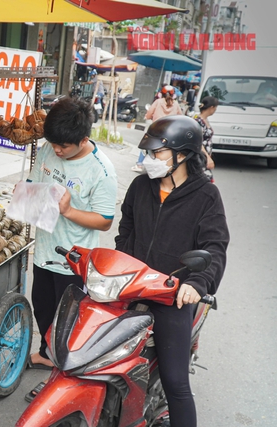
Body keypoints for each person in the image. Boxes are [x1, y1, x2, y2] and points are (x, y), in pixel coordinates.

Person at [115, 115, 229, 427]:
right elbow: (126, 230)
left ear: (182, 155)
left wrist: (197, 282)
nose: (150, 160)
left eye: (157, 154)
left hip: (172, 296)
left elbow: (216, 246)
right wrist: (121, 263)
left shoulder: (206, 196)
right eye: (149, 154)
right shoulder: (141, 186)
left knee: (176, 383)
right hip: (130, 285)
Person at [24, 97, 118, 382]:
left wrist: (68, 210)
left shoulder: (101, 170)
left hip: (74, 259)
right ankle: (46, 354)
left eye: (63, 146)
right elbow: (33, 184)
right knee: (42, 307)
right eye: (53, 144)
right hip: (43, 251)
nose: (56, 150)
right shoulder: (48, 149)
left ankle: (67, 372)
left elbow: (104, 220)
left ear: (83, 139)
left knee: (68, 319)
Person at [132, 85, 183, 172]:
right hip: (170, 132)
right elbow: (180, 117)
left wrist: (149, 116)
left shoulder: (158, 102)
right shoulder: (176, 104)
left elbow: (149, 114)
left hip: (156, 129)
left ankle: (139, 164)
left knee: (146, 145)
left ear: (160, 94)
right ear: (173, 95)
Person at [195, 96, 219, 178]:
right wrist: (207, 157)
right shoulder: (198, 121)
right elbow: (198, 141)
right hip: (200, 157)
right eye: (215, 108)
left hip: (204, 156)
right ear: (211, 107)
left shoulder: (204, 120)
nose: (215, 110)